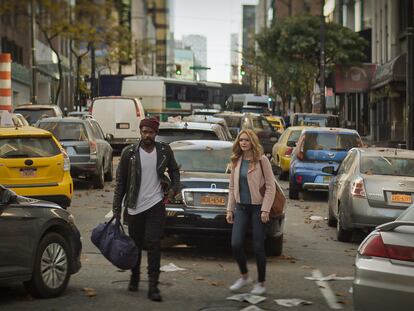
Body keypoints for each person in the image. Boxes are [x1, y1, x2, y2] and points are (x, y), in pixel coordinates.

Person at [112, 117, 180, 302]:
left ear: (156, 133)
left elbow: (175, 172)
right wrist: (117, 209)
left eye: (150, 132)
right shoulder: (129, 153)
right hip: (135, 207)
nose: (147, 135)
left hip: (156, 205)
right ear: (140, 132)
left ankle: (153, 286)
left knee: (154, 244)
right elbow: (121, 183)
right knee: (135, 244)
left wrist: (173, 190)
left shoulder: (164, 151)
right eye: (144, 132)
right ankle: (135, 277)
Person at [226, 129, 276, 295]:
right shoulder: (236, 160)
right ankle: (244, 276)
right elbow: (232, 187)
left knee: (258, 246)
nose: (244, 143)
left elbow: (271, 186)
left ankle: (261, 282)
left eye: (247, 140)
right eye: (241, 140)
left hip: (258, 208)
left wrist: (265, 209)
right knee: (236, 243)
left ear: (252, 142)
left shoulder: (262, 160)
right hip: (241, 208)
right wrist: (229, 210)